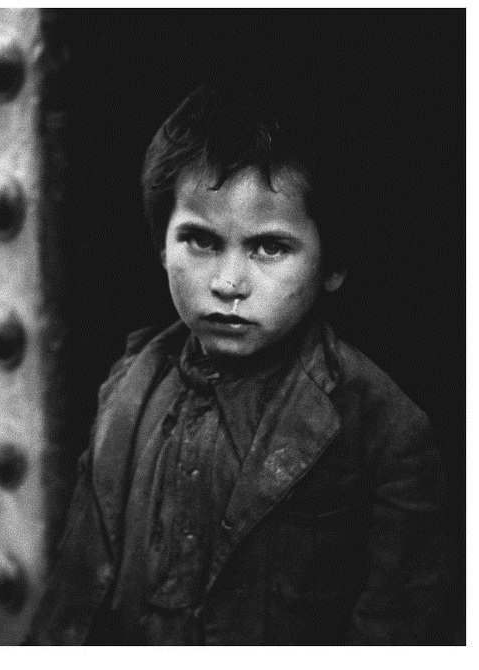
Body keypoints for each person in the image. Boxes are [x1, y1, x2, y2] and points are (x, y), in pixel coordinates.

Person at [27, 82, 449, 645]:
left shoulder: (385, 431)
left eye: (269, 247)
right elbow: (72, 601)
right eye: (199, 241)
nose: (228, 283)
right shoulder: (126, 385)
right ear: (161, 247)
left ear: (333, 266)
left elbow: (395, 633)